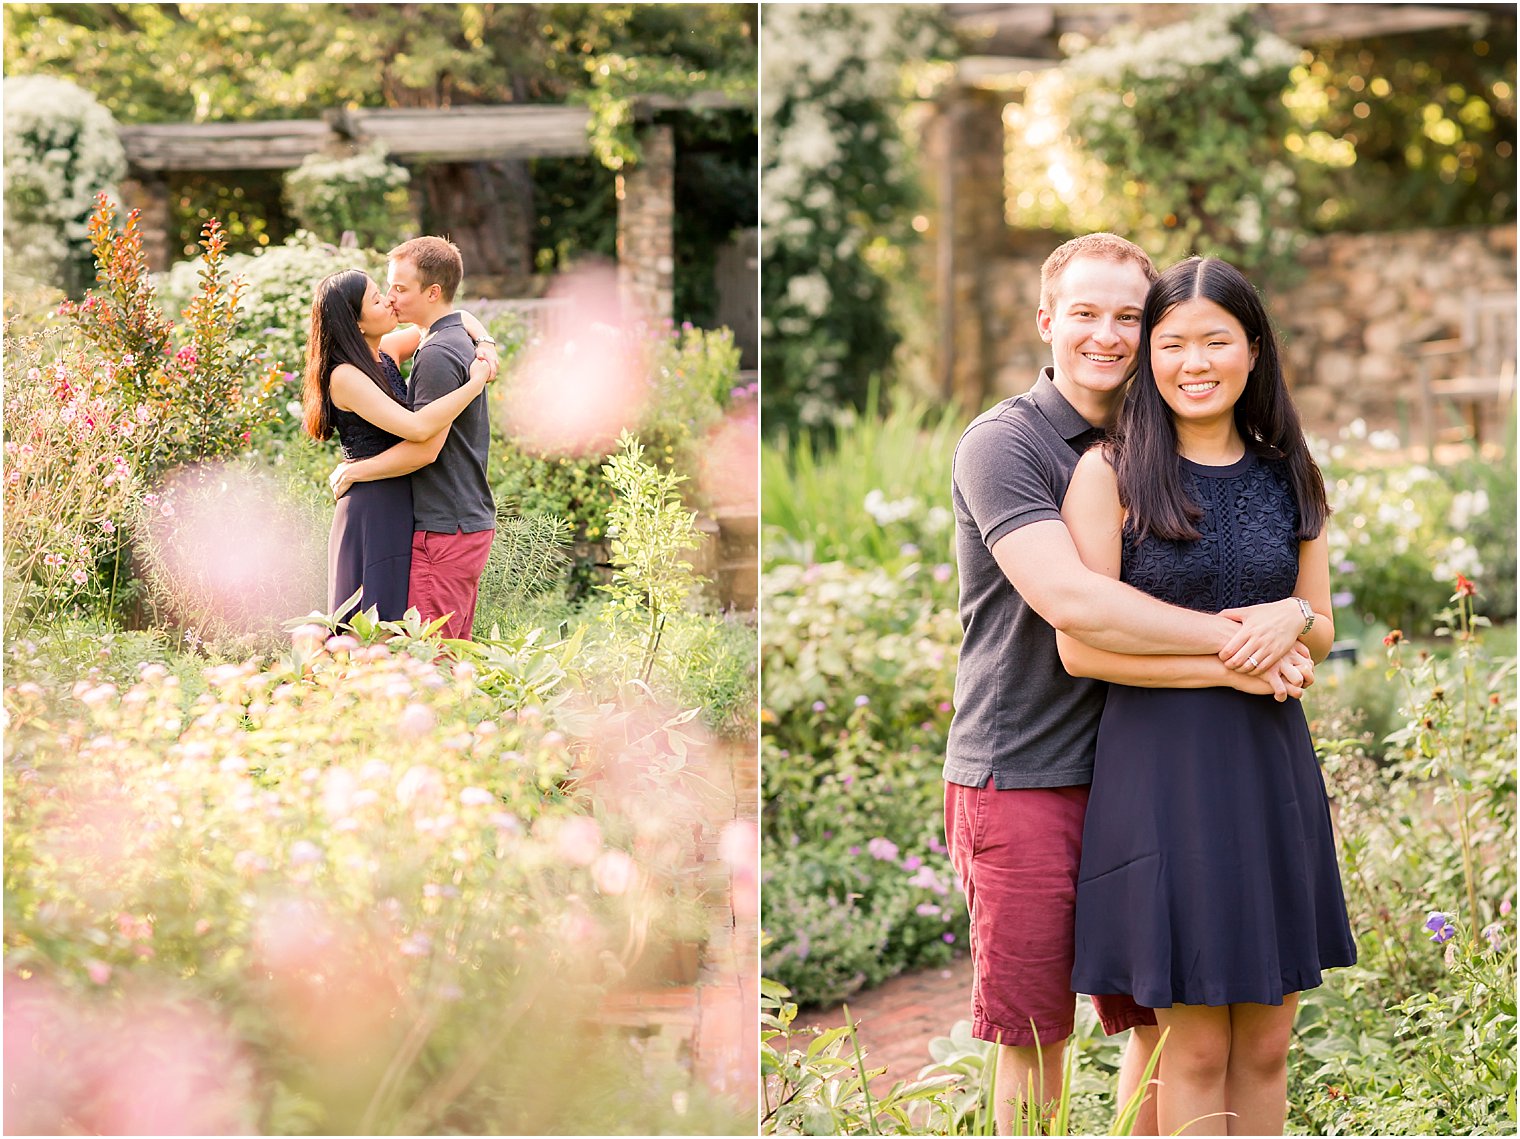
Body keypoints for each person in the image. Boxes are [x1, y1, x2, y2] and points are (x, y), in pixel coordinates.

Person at [945, 233, 1314, 1134]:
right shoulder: (1008, 443)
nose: (1107, 335)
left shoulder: (1152, 442)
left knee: (1160, 1021)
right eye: (1085, 313)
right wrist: (1250, 644)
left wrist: (1291, 619)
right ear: (1047, 321)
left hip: (1141, 773)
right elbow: (1078, 605)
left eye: (1126, 317)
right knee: (1036, 1036)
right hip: (1028, 769)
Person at [1058, 256, 1357, 1136]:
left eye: (1216, 340)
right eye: (1173, 341)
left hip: (1271, 774)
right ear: (1150, 355)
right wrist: (1238, 659)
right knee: (1189, 1048)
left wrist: (1292, 615)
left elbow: (1325, 624)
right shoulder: (1107, 473)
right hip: (1161, 779)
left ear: (1254, 350)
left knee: (1266, 1043)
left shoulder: (1288, 469)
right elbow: (1082, 645)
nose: (1195, 360)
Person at [301, 267, 497, 622]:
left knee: (401, 621)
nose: (389, 300)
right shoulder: (345, 376)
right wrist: (473, 385)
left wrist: (485, 343)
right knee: (371, 622)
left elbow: (456, 318)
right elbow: (419, 428)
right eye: (377, 299)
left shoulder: (383, 351)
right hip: (372, 508)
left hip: (400, 499)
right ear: (356, 322)